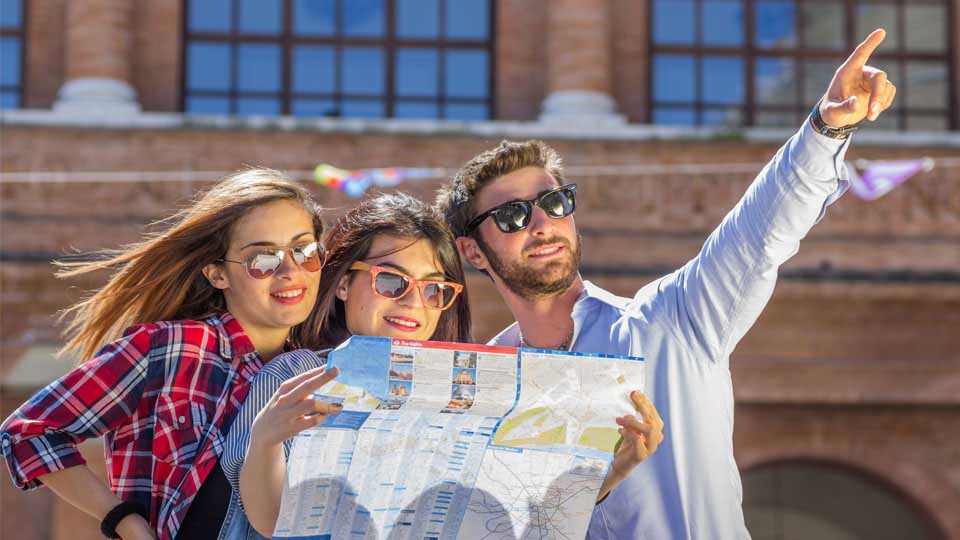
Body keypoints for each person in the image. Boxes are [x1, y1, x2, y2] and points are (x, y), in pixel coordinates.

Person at [435, 29, 897, 540]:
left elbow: (757, 235)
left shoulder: (670, 322)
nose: (542, 224)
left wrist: (824, 129)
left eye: (554, 202)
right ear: (471, 250)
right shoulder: (488, 387)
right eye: (512, 215)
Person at [219, 192, 663, 539]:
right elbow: (270, 521)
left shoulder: (473, 394)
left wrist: (610, 473)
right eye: (391, 280)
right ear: (342, 284)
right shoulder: (295, 374)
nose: (414, 302)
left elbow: (515, 523)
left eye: (434, 289)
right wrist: (266, 440)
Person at [0, 169, 327, 540]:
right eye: (263, 259)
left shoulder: (323, 372)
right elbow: (29, 432)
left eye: (304, 250)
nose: (290, 270)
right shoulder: (169, 349)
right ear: (217, 274)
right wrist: (125, 521)